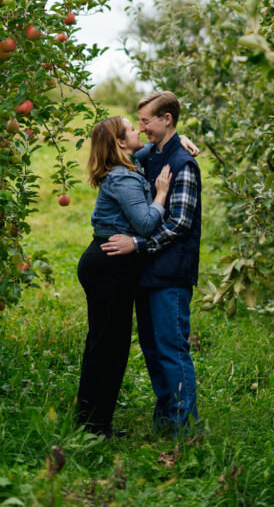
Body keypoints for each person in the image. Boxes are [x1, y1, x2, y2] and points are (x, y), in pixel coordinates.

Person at [102, 91, 201, 434]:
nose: (141, 128)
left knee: (172, 349)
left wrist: (137, 244)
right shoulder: (151, 155)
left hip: (171, 273)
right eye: (139, 122)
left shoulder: (184, 166)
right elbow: (124, 152)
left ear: (167, 120)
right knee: (153, 350)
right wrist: (181, 139)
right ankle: (166, 420)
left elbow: (179, 225)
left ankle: (184, 429)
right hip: (147, 271)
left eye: (146, 121)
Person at [76, 115, 172, 438]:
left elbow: (143, 153)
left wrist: (177, 142)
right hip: (110, 268)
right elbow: (146, 224)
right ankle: (94, 427)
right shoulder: (125, 179)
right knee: (109, 348)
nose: (139, 131)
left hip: (104, 263)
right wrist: (160, 195)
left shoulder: (123, 168)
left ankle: (92, 421)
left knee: (104, 344)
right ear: (119, 143)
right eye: (132, 129)